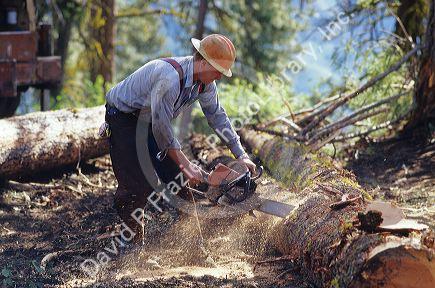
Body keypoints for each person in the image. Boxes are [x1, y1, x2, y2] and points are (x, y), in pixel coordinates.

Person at [104, 34, 256, 243]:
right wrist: (186, 164)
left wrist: (241, 155)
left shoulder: (205, 84)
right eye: (217, 71)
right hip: (124, 119)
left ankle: (193, 245)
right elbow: (161, 126)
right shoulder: (170, 79)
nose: (220, 77)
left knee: (179, 181)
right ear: (202, 61)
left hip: (150, 122)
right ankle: (132, 246)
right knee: (138, 186)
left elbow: (217, 117)